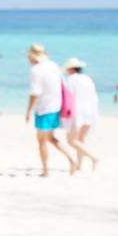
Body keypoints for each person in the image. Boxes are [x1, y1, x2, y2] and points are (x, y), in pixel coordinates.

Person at [24, 44, 75, 177]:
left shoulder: (35, 70)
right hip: (56, 106)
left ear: (32, 56)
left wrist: (28, 111)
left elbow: (35, 93)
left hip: (44, 109)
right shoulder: (53, 65)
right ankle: (71, 160)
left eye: (28, 56)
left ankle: (46, 171)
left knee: (42, 140)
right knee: (50, 138)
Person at [61, 58, 100, 172]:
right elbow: (94, 97)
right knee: (80, 140)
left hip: (77, 112)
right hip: (90, 111)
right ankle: (79, 165)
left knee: (71, 140)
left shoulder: (70, 80)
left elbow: (68, 98)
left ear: (71, 69)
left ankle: (94, 158)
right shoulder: (88, 79)